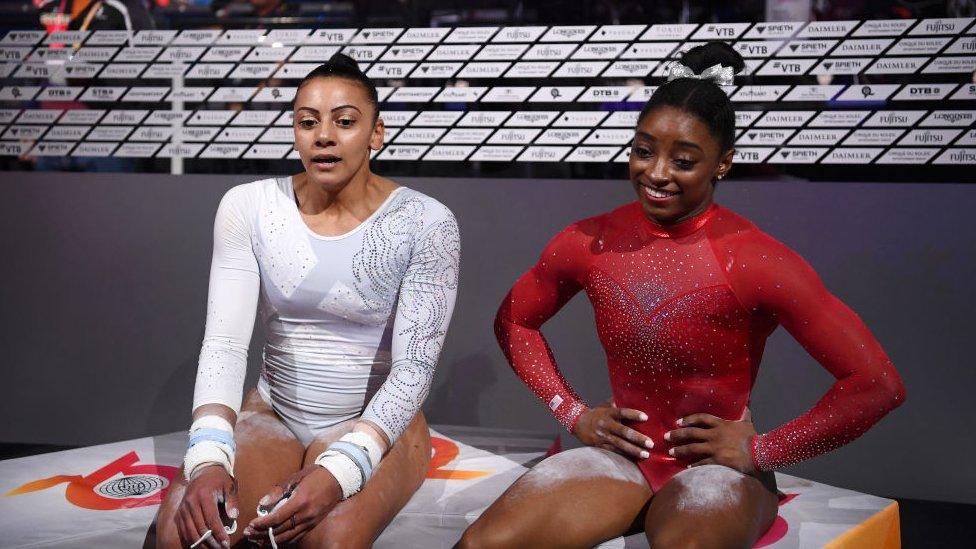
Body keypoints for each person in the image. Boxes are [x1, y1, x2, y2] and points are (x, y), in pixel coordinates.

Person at [460, 42, 905, 548]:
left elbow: (877, 383)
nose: (656, 173)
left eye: (685, 160)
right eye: (644, 150)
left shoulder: (755, 258)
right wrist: (572, 412)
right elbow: (514, 321)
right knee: (481, 545)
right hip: (619, 461)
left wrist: (762, 452)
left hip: (717, 473)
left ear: (723, 164)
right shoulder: (590, 241)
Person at [150, 53, 460, 548]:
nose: (324, 136)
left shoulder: (426, 222)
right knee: (182, 534)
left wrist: (345, 466)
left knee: (327, 541)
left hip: (378, 422)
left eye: (345, 122)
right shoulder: (247, 206)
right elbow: (226, 343)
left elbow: (414, 369)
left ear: (376, 134)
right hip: (274, 411)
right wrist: (209, 456)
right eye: (307, 122)